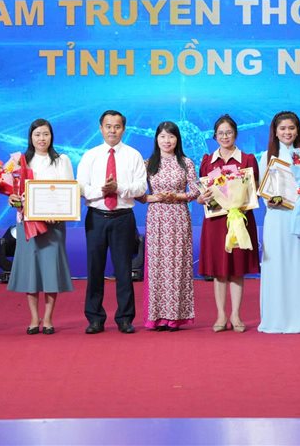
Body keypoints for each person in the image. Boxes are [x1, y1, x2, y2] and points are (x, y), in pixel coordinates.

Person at [75, 110, 148, 334]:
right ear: (101, 128)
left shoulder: (133, 155)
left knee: (124, 269)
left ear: (123, 129)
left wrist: (119, 188)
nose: (112, 131)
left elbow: (141, 187)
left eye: (117, 127)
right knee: (94, 268)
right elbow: (81, 187)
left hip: (123, 218)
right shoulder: (90, 155)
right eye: (108, 126)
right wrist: (103, 190)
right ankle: (95, 318)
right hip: (97, 217)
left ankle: (125, 318)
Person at [6, 119, 74, 335]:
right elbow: (12, 192)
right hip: (28, 224)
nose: (42, 138)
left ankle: (49, 318)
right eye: (37, 135)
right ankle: (34, 318)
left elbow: (69, 192)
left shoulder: (62, 160)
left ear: (51, 136)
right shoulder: (20, 162)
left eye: (45, 134)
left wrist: (58, 214)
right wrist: (12, 199)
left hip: (54, 225)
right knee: (31, 271)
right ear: (31, 137)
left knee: (51, 269)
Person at [258, 111, 300, 334]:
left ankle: (299, 320)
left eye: (291, 128)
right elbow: (263, 191)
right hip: (276, 217)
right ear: (275, 132)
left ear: (298, 130)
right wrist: (270, 199)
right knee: (276, 266)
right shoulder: (265, 157)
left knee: (298, 265)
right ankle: (275, 319)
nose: (287, 132)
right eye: (282, 128)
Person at [197, 115, 260, 333]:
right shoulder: (207, 161)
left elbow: (253, 191)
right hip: (215, 222)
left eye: (229, 132)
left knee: (237, 268)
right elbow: (202, 192)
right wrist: (201, 198)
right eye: (221, 133)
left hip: (240, 219)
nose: (225, 137)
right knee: (219, 270)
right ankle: (221, 315)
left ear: (235, 134)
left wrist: (242, 203)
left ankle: (236, 314)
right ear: (215, 136)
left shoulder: (247, 160)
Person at [140, 121, 201, 331]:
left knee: (177, 265)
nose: (167, 141)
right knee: (157, 266)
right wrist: (154, 197)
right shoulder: (148, 163)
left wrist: (177, 196)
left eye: (171, 136)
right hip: (157, 217)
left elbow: (196, 191)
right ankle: (156, 317)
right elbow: (138, 193)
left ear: (177, 139)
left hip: (179, 216)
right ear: (156, 139)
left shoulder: (186, 162)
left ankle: (175, 317)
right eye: (163, 136)